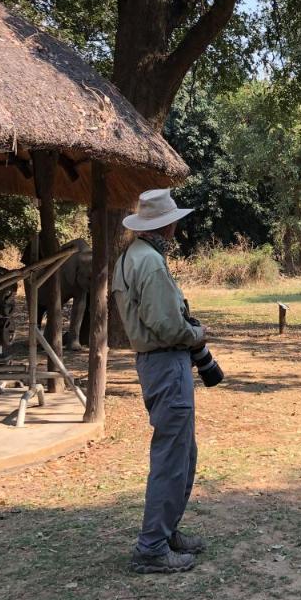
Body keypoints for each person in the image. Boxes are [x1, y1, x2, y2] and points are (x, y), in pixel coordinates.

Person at [113, 189, 211, 574]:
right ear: (165, 224)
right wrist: (197, 334)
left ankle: (166, 532)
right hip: (166, 362)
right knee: (172, 457)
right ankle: (152, 547)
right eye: (174, 219)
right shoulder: (151, 263)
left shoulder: (133, 257)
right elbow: (168, 325)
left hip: (156, 364)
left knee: (182, 453)